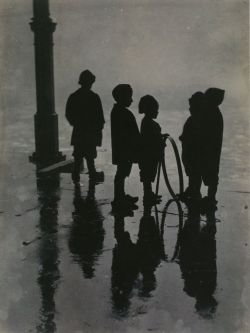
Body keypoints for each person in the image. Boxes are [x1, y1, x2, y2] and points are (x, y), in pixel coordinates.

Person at [65, 70, 105, 184]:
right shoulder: (94, 97)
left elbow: (69, 114)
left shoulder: (73, 96)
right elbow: (100, 118)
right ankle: (92, 179)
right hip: (90, 134)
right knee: (90, 158)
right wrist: (97, 131)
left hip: (78, 132)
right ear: (91, 82)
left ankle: (76, 179)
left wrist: (76, 124)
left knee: (78, 157)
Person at [110, 84, 140, 209]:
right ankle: (119, 199)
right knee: (121, 173)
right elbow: (133, 134)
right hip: (125, 150)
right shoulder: (124, 113)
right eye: (129, 97)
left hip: (121, 149)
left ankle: (120, 196)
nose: (131, 100)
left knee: (121, 173)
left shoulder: (116, 111)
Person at [139, 95, 165, 205]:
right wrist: (160, 140)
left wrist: (161, 137)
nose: (157, 112)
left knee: (148, 175)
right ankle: (148, 195)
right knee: (148, 175)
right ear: (150, 110)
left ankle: (149, 193)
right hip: (149, 154)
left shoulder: (146, 122)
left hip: (150, 154)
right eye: (156, 109)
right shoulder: (148, 123)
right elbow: (152, 139)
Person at [200, 88, 224, 208]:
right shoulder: (215, 113)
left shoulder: (212, 113)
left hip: (210, 149)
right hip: (213, 149)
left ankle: (211, 198)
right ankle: (211, 198)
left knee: (212, 174)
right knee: (212, 174)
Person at [179, 92, 204, 201]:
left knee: (195, 174)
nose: (190, 109)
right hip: (189, 153)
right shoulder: (193, 120)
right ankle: (192, 189)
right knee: (193, 173)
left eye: (192, 106)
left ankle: (195, 191)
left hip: (193, 154)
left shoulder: (196, 121)